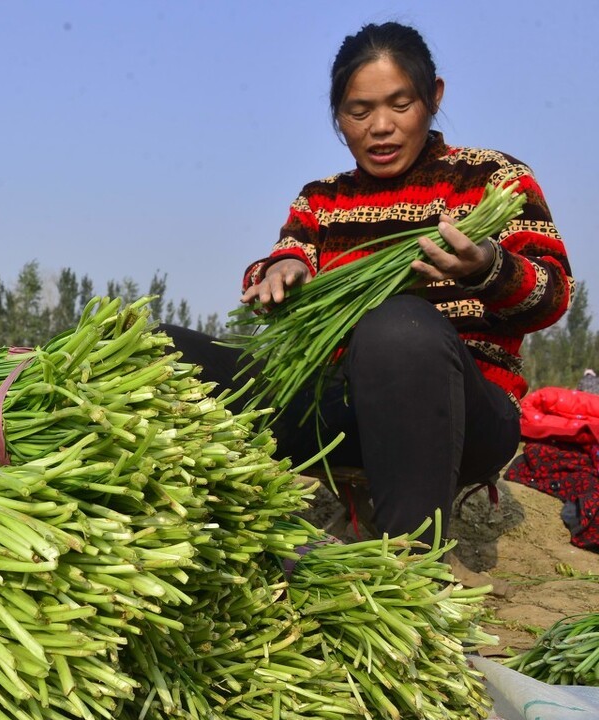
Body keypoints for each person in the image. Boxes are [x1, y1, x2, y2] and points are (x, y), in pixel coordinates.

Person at [164, 21, 571, 545]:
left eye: (399, 105)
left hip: (463, 420)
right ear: (338, 115)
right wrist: (280, 276)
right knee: (163, 346)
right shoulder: (322, 200)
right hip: (336, 414)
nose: (381, 126)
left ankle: (412, 565)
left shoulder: (493, 180)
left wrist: (486, 269)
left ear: (433, 97)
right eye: (359, 111)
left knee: (397, 324)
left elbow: (553, 294)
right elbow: (286, 258)